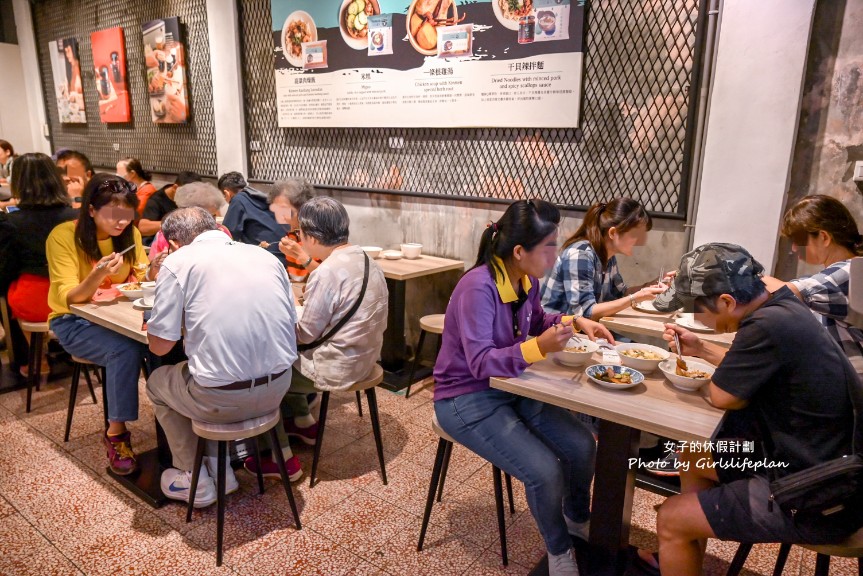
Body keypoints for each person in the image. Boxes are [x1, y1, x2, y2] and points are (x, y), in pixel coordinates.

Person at [644, 243, 861, 576]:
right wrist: (701, 347)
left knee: (670, 518)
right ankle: (682, 552)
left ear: (727, 302)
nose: (693, 317)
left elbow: (723, 396)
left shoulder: (763, 326)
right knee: (692, 457)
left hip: (817, 494)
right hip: (825, 465)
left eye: (695, 309)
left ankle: (678, 534)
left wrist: (704, 358)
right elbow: (756, 368)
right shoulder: (782, 308)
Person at [434, 199, 615, 576]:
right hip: (464, 396)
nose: (555, 254)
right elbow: (481, 362)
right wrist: (540, 346)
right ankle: (560, 552)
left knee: (582, 446)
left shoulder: (524, 281)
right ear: (519, 251)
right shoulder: (477, 288)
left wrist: (575, 322)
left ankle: (577, 521)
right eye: (549, 246)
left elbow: (536, 320)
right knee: (545, 471)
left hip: (514, 387)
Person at [146, 207, 298, 507]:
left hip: (222, 402)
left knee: (158, 382)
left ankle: (196, 479)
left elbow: (160, 347)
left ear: (174, 243)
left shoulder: (178, 262)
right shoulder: (264, 257)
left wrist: (168, 323)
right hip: (280, 389)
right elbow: (290, 324)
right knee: (208, 369)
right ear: (216, 227)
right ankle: (222, 468)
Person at [246, 197, 388, 480]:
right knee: (284, 359)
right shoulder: (363, 258)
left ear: (309, 235)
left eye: (298, 233)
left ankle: (279, 458)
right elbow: (339, 283)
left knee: (262, 372)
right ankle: (302, 421)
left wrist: (278, 316)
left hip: (337, 367)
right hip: (365, 356)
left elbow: (305, 334)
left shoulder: (326, 272)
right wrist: (306, 262)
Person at [46, 174, 157, 476]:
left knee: (161, 343)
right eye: (112, 214)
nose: (121, 222)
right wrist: (97, 274)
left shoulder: (129, 235)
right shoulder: (63, 236)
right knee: (125, 349)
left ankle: (172, 425)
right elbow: (69, 298)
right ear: (91, 210)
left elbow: (141, 277)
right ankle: (116, 434)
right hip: (73, 321)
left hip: (117, 314)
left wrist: (154, 270)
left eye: (127, 214)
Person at [762, 194, 863, 376]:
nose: (793, 249)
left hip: (853, 394)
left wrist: (743, 271)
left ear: (824, 237)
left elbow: (787, 292)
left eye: (798, 241)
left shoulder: (852, 272)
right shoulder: (837, 273)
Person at [0, 153, 77, 378]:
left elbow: (5, 268)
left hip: (36, 299)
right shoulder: (77, 216)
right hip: (78, 294)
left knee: (7, 295)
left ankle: (36, 360)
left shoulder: (11, 222)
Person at [542, 197, 669, 319]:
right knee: (626, 342)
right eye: (635, 234)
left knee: (630, 341)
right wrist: (635, 298)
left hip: (586, 328)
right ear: (613, 233)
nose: (640, 241)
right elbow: (585, 312)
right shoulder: (580, 255)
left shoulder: (608, 256)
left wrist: (651, 285)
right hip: (557, 331)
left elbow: (620, 293)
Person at [148, 182, 230, 259]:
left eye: (213, 216)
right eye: (206, 217)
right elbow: (153, 263)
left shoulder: (222, 231)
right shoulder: (167, 234)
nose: (211, 222)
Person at [221, 172, 286, 262]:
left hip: (265, 259)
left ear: (227, 193)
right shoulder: (258, 195)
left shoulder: (238, 200)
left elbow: (227, 236)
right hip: (285, 255)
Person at [269, 178, 319, 280]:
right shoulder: (293, 233)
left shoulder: (320, 234)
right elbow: (295, 277)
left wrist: (300, 254)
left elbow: (328, 277)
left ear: (302, 207)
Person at [138, 171, 202, 240]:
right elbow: (143, 228)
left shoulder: (193, 197)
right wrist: (174, 223)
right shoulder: (156, 200)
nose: (189, 197)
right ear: (175, 187)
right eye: (185, 194)